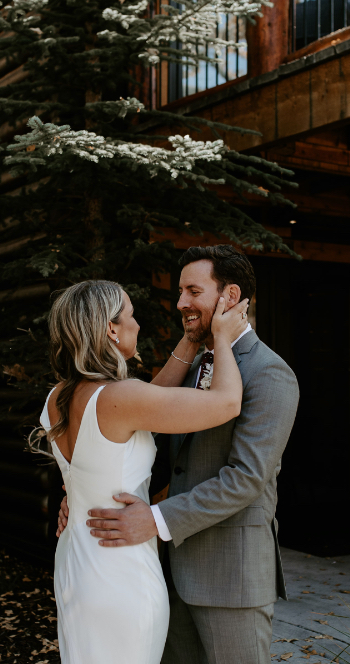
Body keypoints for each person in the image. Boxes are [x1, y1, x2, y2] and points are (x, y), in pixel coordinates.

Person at [58, 245, 300, 664]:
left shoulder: (269, 372)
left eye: (193, 291)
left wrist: (154, 520)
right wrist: (87, 492)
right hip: (165, 572)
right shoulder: (191, 365)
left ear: (230, 296)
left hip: (230, 577)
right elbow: (143, 448)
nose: (181, 303)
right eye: (180, 292)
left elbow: (246, 478)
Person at [40, 278, 250, 664]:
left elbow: (148, 403)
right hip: (120, 571)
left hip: (75, 563)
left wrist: (191, 339)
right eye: (131, 315)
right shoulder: (121, 397)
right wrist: (222, 336)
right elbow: (227, 403)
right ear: (111, 329)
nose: (137, 324)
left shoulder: (58, 396)